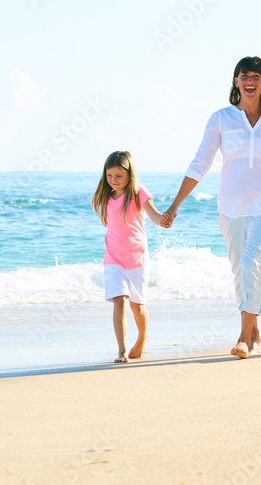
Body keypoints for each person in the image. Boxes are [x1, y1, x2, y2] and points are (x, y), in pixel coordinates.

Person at [163, 57, 261, 359]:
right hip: (231, 208)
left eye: (257, 76)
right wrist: (175, 204)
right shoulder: (221, 119)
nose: (251, 81)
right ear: (236, 82)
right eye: (245, 76)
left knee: (250, 264)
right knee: (240, 271)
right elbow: (200, 163)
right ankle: (254, 329)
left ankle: (244, 337)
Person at [92, 151, 167, 363]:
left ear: (129, 174)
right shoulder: (106, 195)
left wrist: (164, 219)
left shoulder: (137, 192)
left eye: (119, 176)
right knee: (120, 303)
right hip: (113, 258)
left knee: (137, 306)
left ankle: (142, 337)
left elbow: (154, 215)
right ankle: (122, 351)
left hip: (137, 259)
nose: (113, 180)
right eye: (109, 176)